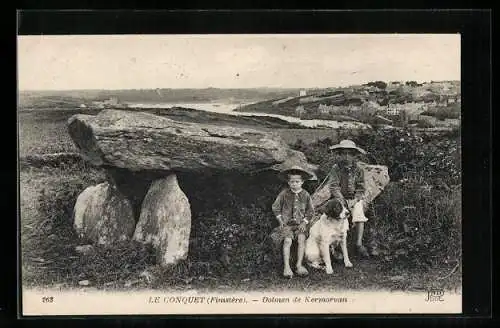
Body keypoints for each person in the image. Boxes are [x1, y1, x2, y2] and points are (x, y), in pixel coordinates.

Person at [327, 139, 372, 258]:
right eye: (344, 153)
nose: (347, 156)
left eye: (350, 154)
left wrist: (355, 200)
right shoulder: (336, 168)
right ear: (340, 155)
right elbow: (334, 186)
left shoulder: (358, 170)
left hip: (353, 199)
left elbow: (361, 188)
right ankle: (336, 247)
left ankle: (358, 244)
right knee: (337, 214)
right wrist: (342, 200)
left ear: (354, 156)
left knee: (359, 212)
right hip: (339, 198)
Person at [271, 166, 315, 278]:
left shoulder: (305, 195)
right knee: (287, 241)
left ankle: (299, 265)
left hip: (300, 225)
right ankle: (286, 267)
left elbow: (310, 211)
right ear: (288, 182)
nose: (294, 184)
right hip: (287, 225)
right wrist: (280, 220)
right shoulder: (284, 194)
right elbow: (275, 207)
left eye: (297, 181)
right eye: (292, 182)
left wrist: (304, 222)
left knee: (301, 239)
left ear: (302, 182)